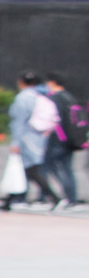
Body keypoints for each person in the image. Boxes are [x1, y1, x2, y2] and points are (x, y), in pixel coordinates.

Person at [8, 73, 62, 211]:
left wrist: (15, 142)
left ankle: (52, 197)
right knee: (28, 170)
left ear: (21, 82)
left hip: (26, 138)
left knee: (29, 170)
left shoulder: (22, 98)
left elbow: (19, 122)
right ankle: (10, 200)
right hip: (39, 137)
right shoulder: (41, 96)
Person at [48, 76, 85, 208]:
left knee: (49, 166)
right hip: (72, 140)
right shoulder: (70, 98)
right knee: (68, 169)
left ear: (52, 82)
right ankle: (71, 197)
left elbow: (56, 121)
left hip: (59, 140)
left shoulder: (54, 99)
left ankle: (64, 196)